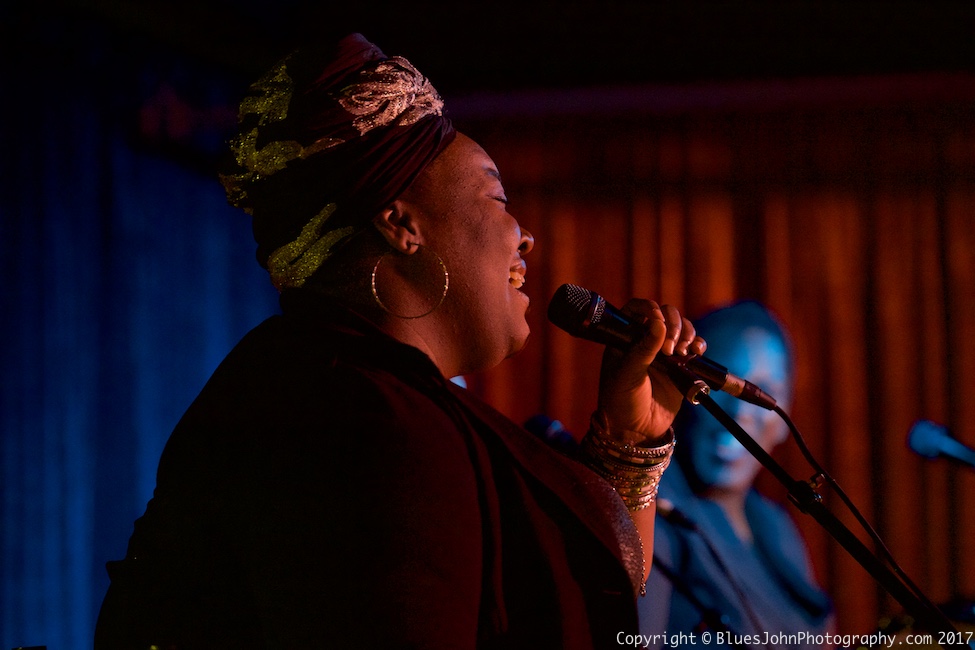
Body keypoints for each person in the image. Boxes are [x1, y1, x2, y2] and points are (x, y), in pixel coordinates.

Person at [94, 33, 706, 648]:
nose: (524, 237)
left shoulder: (330, 384)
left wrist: (631, 440)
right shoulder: (366, 418)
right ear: (401, 222)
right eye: (497, 197)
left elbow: (588, 588)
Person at [639, 301, 832, 650]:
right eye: (717, 385)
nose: (739, 412)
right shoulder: (650, 508)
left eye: (761, 392)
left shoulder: (776, 525)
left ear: (784, 417)